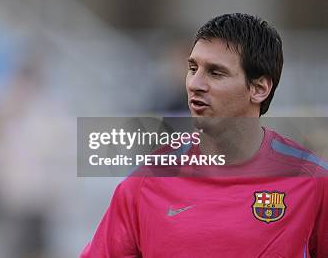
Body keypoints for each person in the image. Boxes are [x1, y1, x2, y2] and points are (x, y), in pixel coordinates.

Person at [81, 13, 327, 257]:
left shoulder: (311, 180)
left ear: (259, 88)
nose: (194, 84)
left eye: (215, 73)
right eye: (192, 68)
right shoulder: (147, 182)